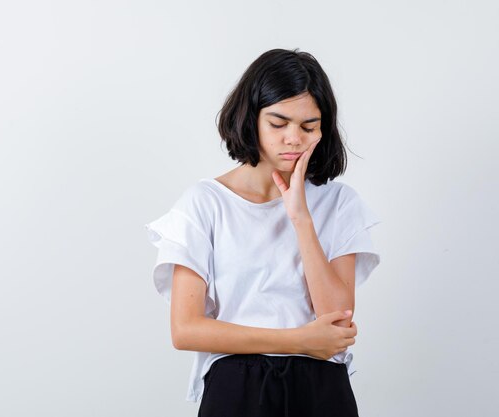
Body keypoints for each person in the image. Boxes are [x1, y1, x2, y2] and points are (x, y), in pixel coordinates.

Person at [143, 48, 381, 417]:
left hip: (321, 386)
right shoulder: (204, 204)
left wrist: (300, 216)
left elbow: (337, 321)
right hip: (237, 385)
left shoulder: (339, 204)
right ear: (250, 118)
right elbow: (186, 330)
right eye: (278, 122)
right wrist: (298, 341)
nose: (293, 139)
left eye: (308, 126)